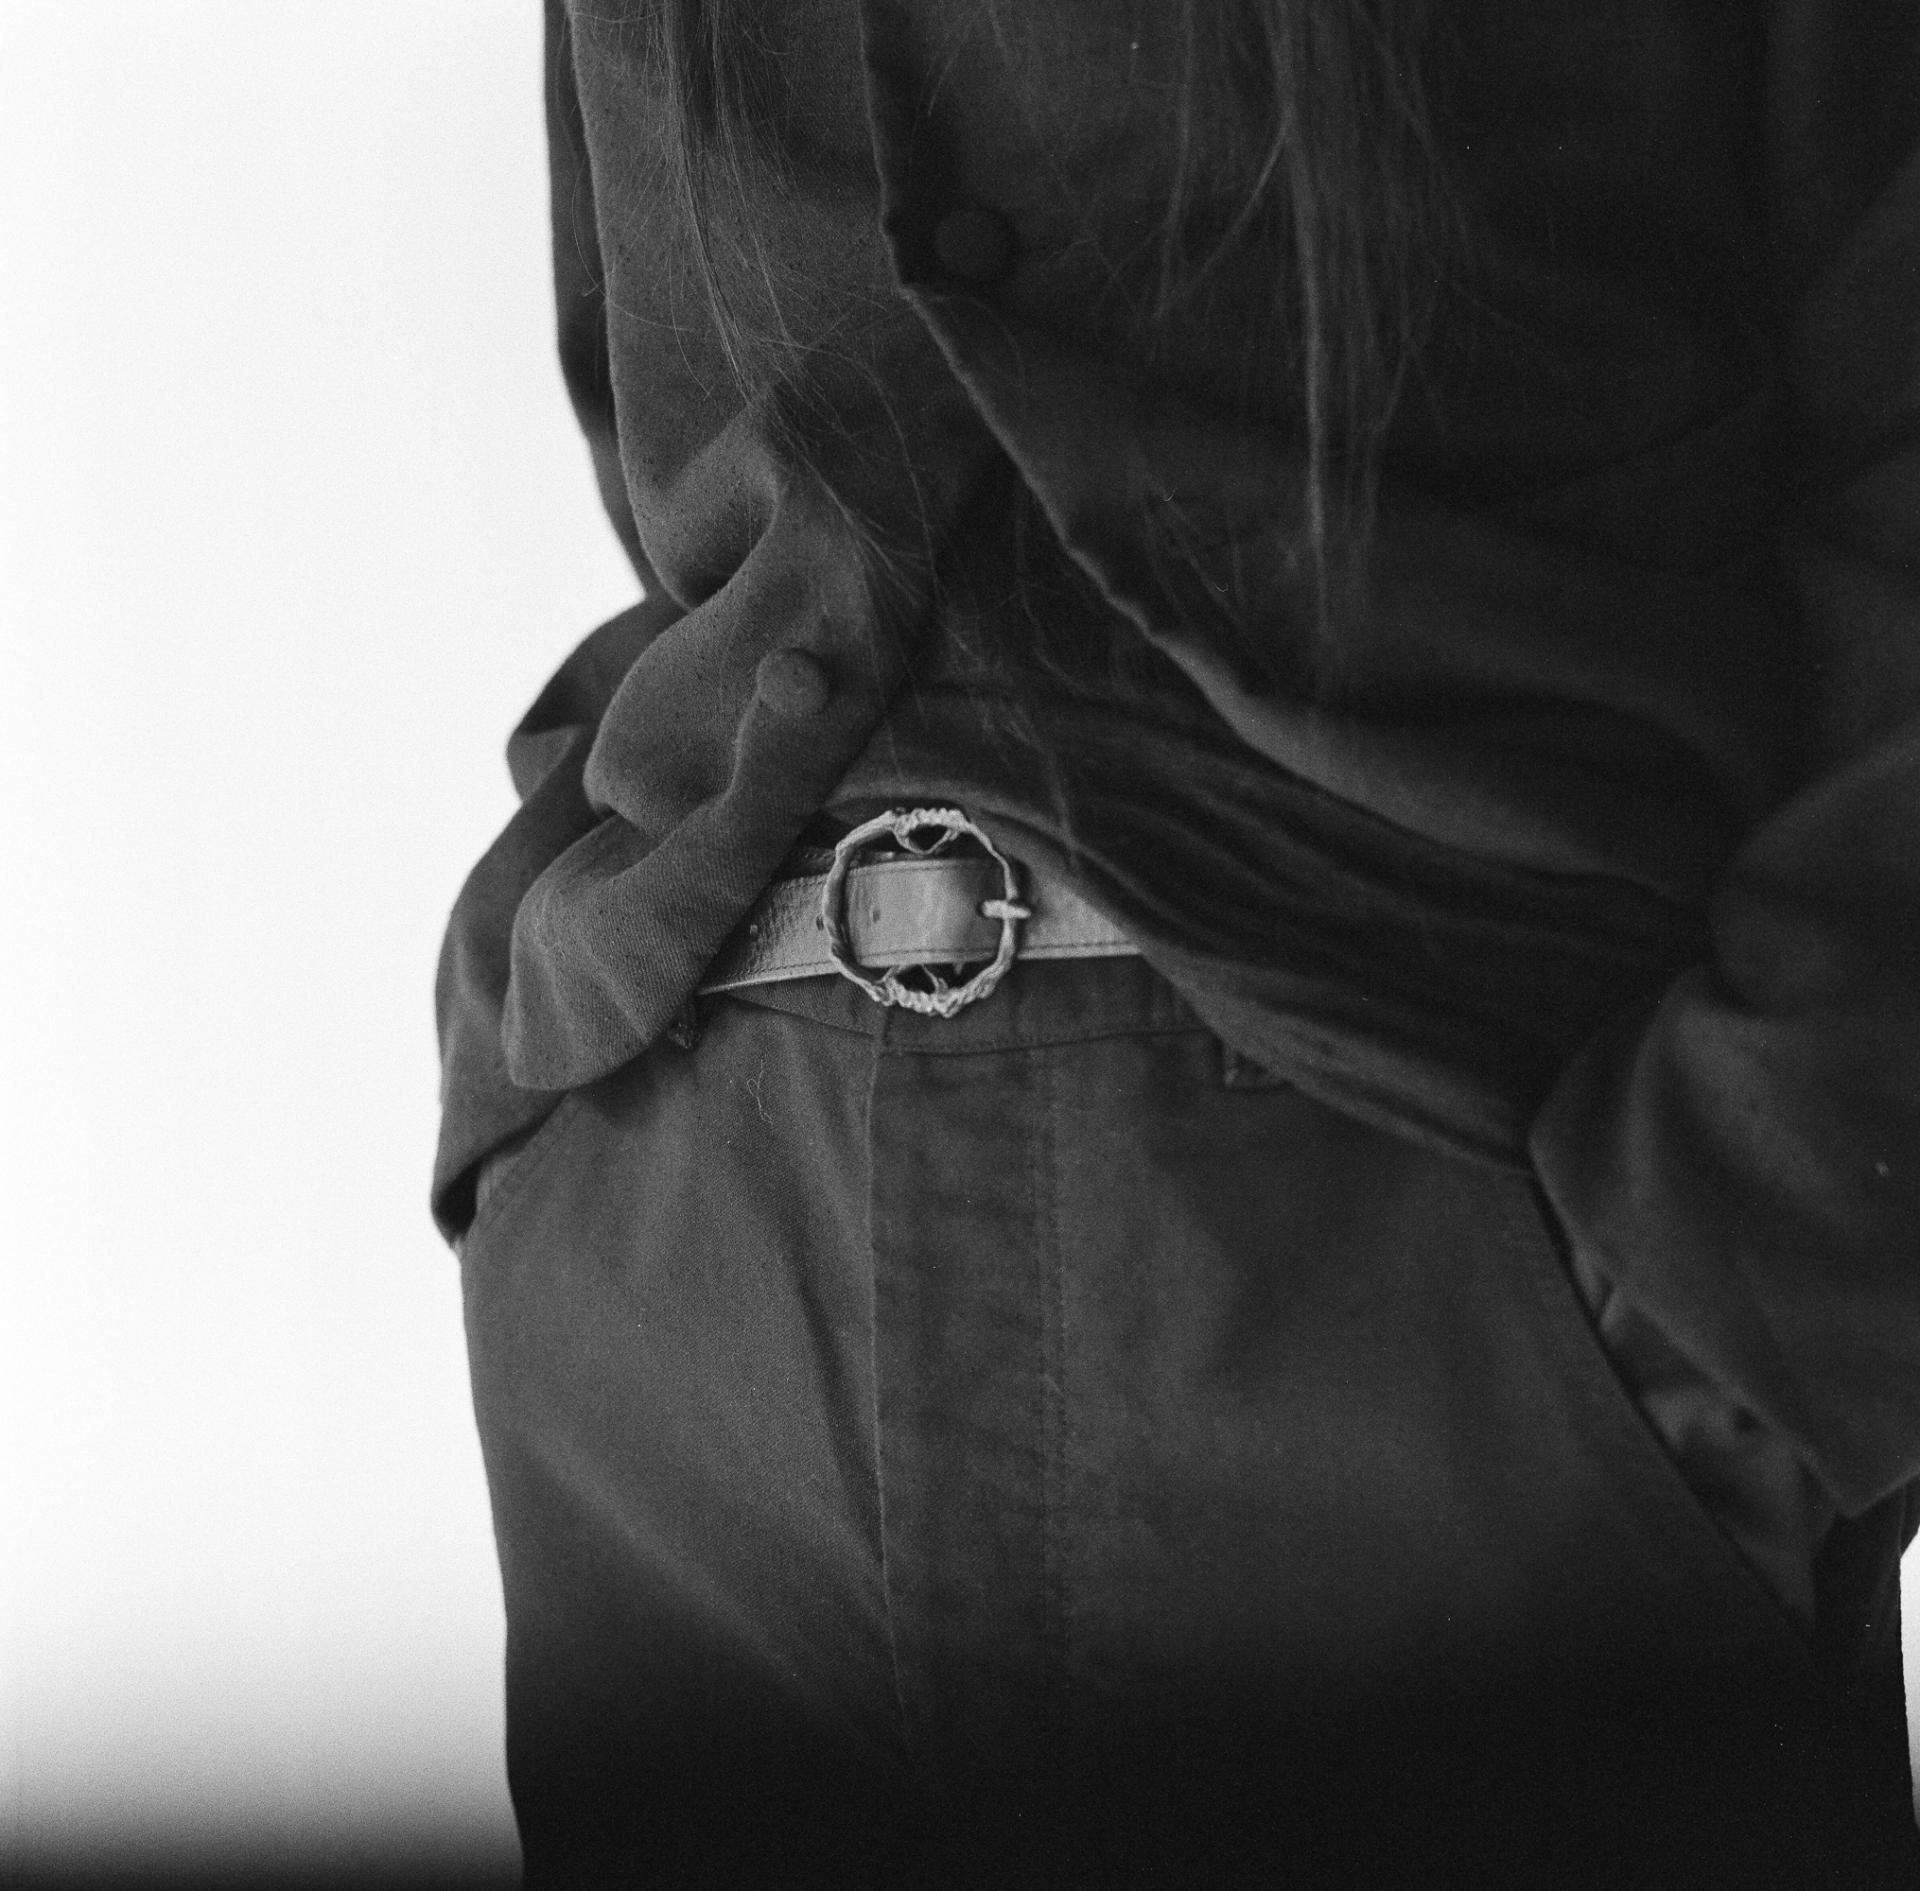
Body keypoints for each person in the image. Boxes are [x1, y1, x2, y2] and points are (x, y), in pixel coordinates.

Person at [434, 1, 1920, 1882]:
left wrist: (1752, 1291)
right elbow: (674, 417)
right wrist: (537, 1128)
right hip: (705, 1317)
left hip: (1455, 1280)